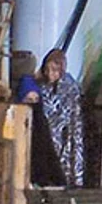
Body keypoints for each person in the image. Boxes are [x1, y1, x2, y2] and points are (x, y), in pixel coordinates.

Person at [37, 49, 88, 187]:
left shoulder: (70, 87)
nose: (50, 73)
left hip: (67, 131)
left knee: (67, 159)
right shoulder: (43, 87)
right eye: (47, 69)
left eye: (54, 70)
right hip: (49, 133)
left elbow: (69, 113)